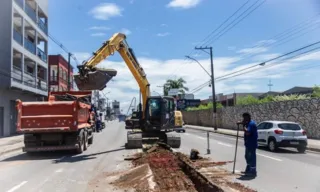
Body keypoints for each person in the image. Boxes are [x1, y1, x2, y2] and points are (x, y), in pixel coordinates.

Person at [237, 112, 258, 176]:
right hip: (248, 143)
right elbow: (244, 123)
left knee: (251, 156)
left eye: (245, 118)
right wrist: (240, 123)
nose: (243, 119)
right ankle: (248, 168)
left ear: (248, 117)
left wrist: (243, 126)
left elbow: (247, 133)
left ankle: (253, 171)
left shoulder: (251, 124)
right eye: (243, 118)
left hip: (252, 143)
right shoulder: (248, 123)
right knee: (247, 156)